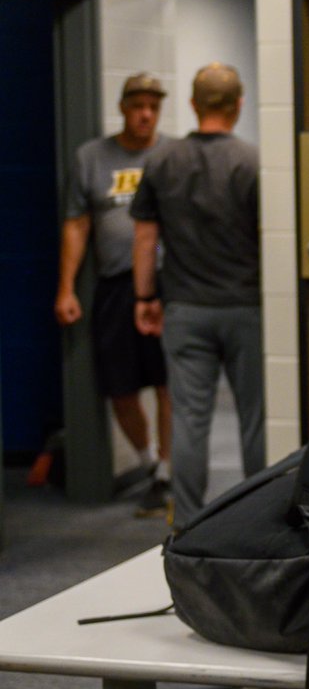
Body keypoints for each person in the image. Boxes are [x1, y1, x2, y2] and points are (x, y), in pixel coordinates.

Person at [129, 62, 263, 529]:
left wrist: (144, 297)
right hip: (248, 307)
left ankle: (185, 527)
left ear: (192, 104)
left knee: (188, 420)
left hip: (185, 308)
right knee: (257, 420)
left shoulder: (161, 161)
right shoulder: (253, 161)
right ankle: (259, 521)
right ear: (238, 104)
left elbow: (145, 238)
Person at [55, 72, 174, 517]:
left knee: (168, 383)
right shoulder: (91, 157)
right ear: (123, 108)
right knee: (120, 387)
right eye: (138, 106)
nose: (146, 114)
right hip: (115, 287)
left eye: (153, 107)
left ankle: (167, 472)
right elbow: (76, 225)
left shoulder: (172, 154)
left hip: (166, 284)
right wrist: (66, 288)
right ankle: (148, 462)